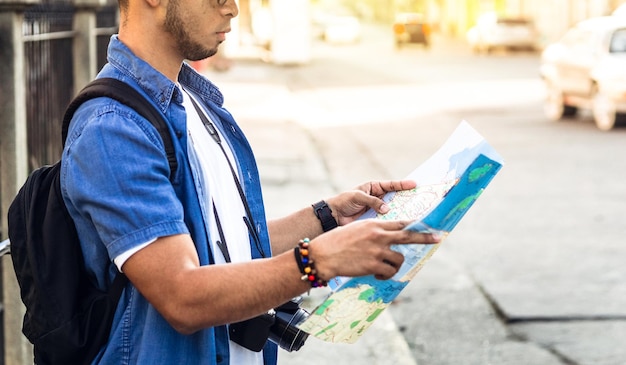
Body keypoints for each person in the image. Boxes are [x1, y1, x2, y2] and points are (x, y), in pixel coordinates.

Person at [60, 0, 441, 364]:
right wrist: (317, 262)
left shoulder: (195, 102)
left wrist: (326, 218)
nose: (233, 8)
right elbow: (182, 296)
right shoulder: (113, 128)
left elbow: (224, 247)